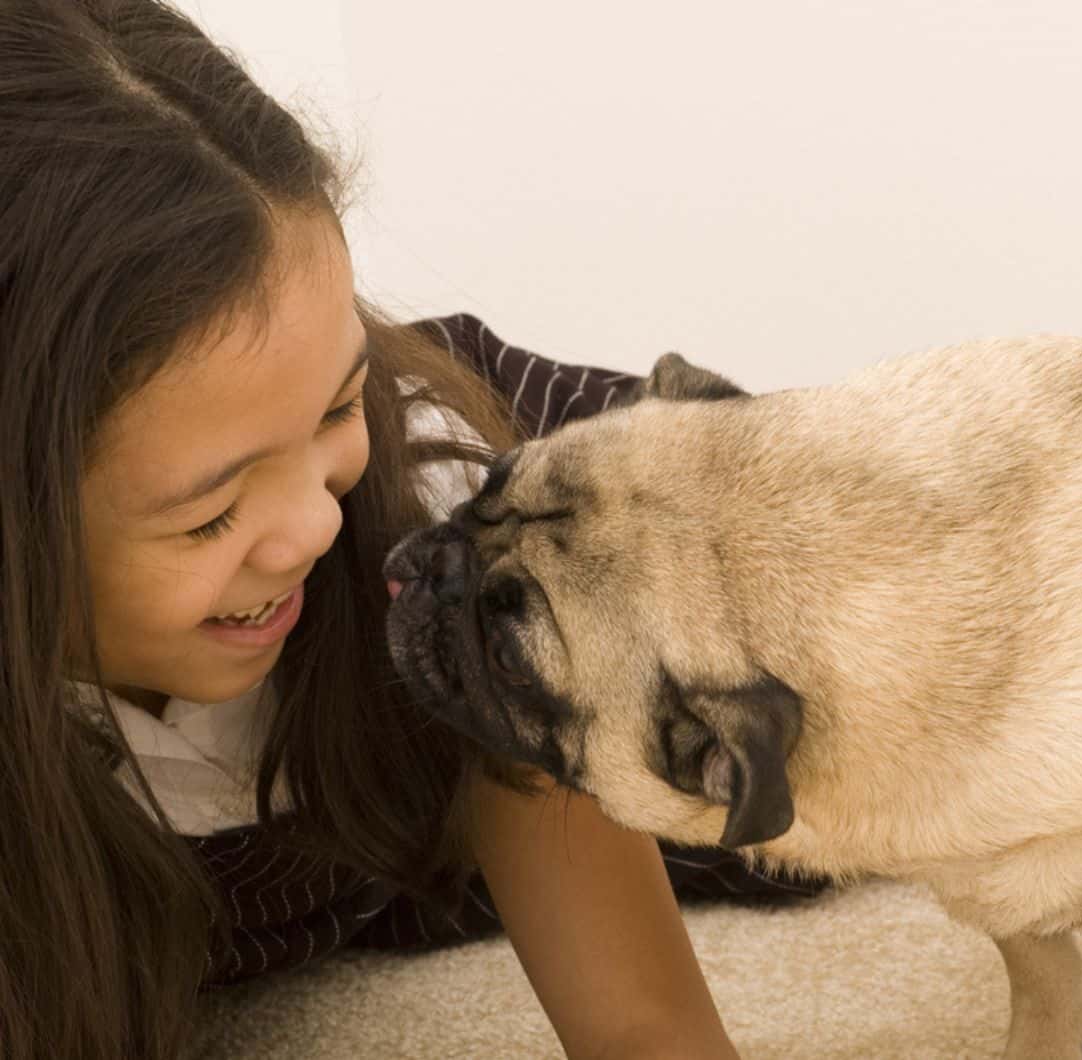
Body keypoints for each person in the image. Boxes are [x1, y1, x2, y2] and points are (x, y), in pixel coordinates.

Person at [0, 2, 823, 1057]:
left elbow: (645, 1027)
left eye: (335, 408)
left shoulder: (452, 530)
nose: (309, 525)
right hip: (183, 886)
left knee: (837, 665)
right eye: (210, 513)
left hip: (413, 817)